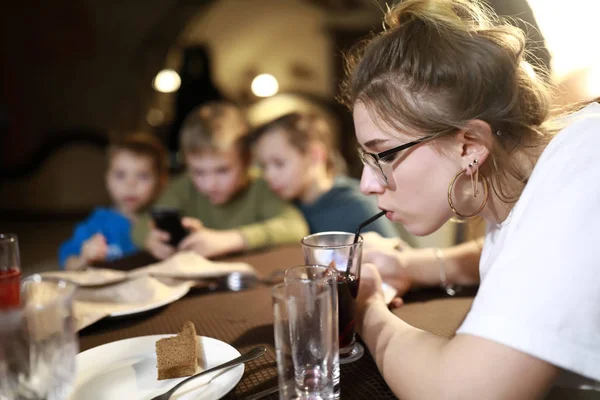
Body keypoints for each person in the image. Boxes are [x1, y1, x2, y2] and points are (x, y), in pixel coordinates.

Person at [344, 0, 600, 397]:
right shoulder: (546, 176)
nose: (367, 184)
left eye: (385, 154)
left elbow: (462, 391)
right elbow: (526, 253)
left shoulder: (584, 174)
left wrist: (364, 309)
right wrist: (412, 265)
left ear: (470, 145)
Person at [133, 101, 309, 260]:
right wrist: (151, 241)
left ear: (247, 161)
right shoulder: (182, 187)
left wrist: (228, 240)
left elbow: (295, 227)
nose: (210, 184)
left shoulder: (262, 186)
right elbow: (141, 225)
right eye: (198, 172)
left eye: (222, 170)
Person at [251, 112, 398, 236]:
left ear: (315, 155)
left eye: (279, 163)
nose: (269, 176)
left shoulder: (356, 206)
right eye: (264, 166)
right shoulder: (280, 206)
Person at [59, 133, 169, 270]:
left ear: (161, 182)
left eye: (143, 176)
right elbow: (68, 261)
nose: (130, 184)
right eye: (120, 175)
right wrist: (84, 258)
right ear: (107, 179)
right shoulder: (98, 224)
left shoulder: (162, 221)